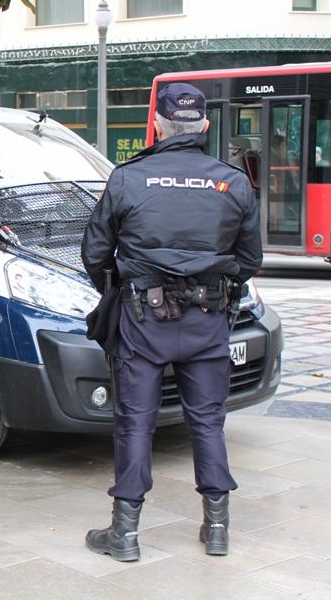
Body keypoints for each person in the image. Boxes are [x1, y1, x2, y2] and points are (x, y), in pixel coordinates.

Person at [81, 83, 262, 562]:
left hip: (143, 320)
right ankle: (217, 527)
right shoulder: (232, 181)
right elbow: (249, 259)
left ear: (157, 125)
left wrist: (121, 288)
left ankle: (125, 534)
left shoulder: (128, 177)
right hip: (208, 319)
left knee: (135, 423)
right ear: (203, 126)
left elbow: (94, 253)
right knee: (208, 422)